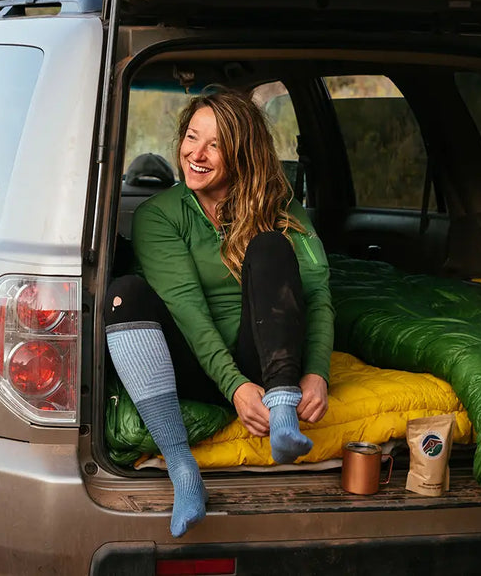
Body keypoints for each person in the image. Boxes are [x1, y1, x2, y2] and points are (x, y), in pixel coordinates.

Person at [105, 87, 334, 537]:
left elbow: (318, 293)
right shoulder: (159, 215)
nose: (197, 153)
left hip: (270, 362)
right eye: (192, 138)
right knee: (123, 294)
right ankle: (182, 467)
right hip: (198, 366)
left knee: (269, 246)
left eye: (216, 145)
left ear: (242, 153)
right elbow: (187, 311)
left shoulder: (280, 206)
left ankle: (284, 417)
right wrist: (235, 390)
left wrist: (318, 372)